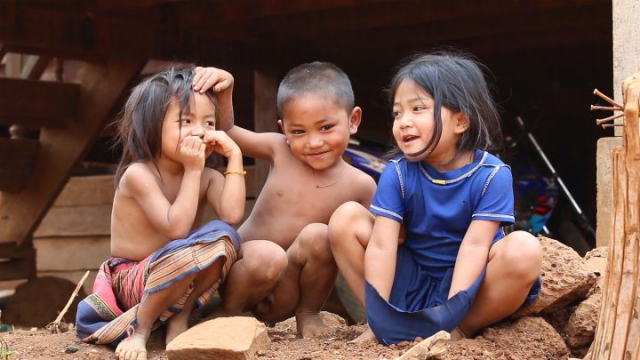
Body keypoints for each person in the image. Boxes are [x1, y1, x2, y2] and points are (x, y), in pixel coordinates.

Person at [328, 51, 543, 345]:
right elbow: (382, 246)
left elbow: (475, 247)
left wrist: (449, 316)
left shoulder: (492, 175)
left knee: (524, 248)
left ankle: (460, 331)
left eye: (417, 109)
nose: (403, 122)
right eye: (397, 112)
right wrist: (377, 318)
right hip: (411, 281)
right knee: (345, 219)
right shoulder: (398, 173)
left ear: (460, 121)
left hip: (469, 287)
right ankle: (384, 326)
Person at [193, 62, 377, 337]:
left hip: (285, 292)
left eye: (326, 127)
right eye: (299, 132)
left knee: (320, 235)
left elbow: (372, 247)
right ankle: (228, 313)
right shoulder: (280, 150)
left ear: (353, 120)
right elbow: (228, 132)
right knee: (268, 255)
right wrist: (226, 90)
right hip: (243, 270)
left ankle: (308, 313)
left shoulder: (361, 184)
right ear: (284, 130)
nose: (314, 142)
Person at [75, 65, 247, 360]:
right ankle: (140, 331)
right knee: (183, 252)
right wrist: (193, 171)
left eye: (208, 123)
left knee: (225, 236)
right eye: (186, 121)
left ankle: (179, 318)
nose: (199, 132)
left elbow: (231, 216)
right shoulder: (139, 174)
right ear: (153, 127)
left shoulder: (206, 175)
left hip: (180, 269)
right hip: (133, 278)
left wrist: (235, 156)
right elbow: (176, 229)